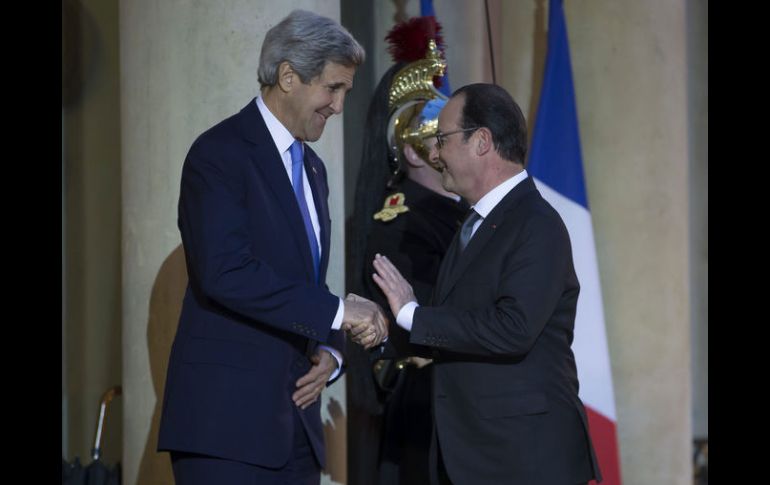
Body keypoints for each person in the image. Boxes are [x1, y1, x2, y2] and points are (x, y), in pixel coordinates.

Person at [157, 10, 387, 485]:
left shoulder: (315, 171)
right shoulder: (218, 153)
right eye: (333, 88)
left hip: (295, 429)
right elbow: (225, 272)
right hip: (225, 430)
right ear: (288, 76)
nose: (339, 106)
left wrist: (331, 351)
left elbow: (306, 286)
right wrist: (340, 312)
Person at [372, 83, 603, 485]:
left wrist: (413, 313)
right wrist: (379, 331)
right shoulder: (476, 224)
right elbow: (460, 327)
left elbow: (512, 329)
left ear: (481, 142)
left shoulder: (536, 224)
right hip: (475, 456)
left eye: (442, 139)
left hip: (522, 460)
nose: (435, 153)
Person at [347, 17, 466, 485]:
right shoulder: (398, 224)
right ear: (415, 153)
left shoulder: (449, 214)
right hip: (424, 417)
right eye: (444, 140)